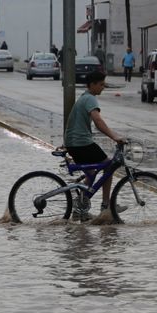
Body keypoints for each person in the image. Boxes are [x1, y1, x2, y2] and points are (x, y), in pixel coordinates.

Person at [64, 70, 126, 220]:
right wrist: (115, 137)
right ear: (92, 85)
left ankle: (80, 209)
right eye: (101, 84)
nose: (103, 87)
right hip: (81, 142)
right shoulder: (90, 98)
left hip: (74, 143)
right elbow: (98, 121)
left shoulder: (84, 98)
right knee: (109, 166)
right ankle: (106, 206)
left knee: (91, 173)